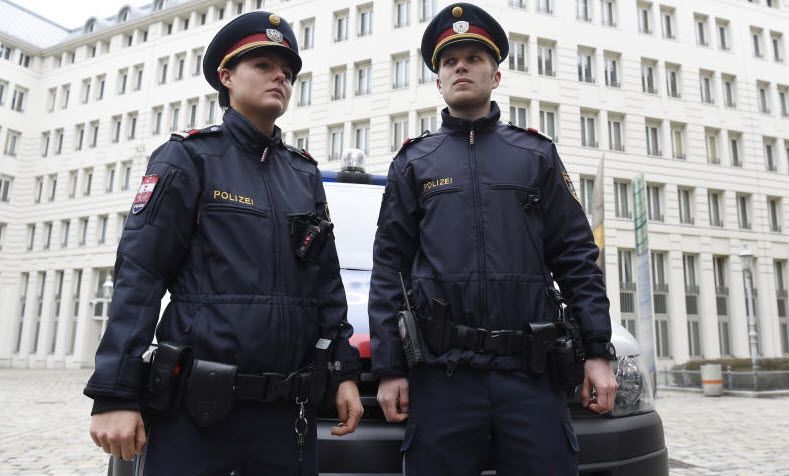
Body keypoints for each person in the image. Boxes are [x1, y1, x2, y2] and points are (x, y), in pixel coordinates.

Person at [84, 11, 363, 475]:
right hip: (197, 414)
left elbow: (327, 287)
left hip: (285, 416)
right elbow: (140, 276)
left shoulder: (304, 174)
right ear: (226, 76)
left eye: (288, 73)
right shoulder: (188, 158)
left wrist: (344, 372)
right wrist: (116, 392)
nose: (281, 77)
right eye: (264, 66)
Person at [369, 3, 618, 475]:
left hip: (530, 377)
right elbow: (390, 271)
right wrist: (390, 367)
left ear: (496, 75)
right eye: (449, 61)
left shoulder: (536, 155)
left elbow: (577, 260)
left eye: (473, 58)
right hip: (443, 379)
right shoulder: (414, 163)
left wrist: (598, 352)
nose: (460, 66)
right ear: (438, 81)